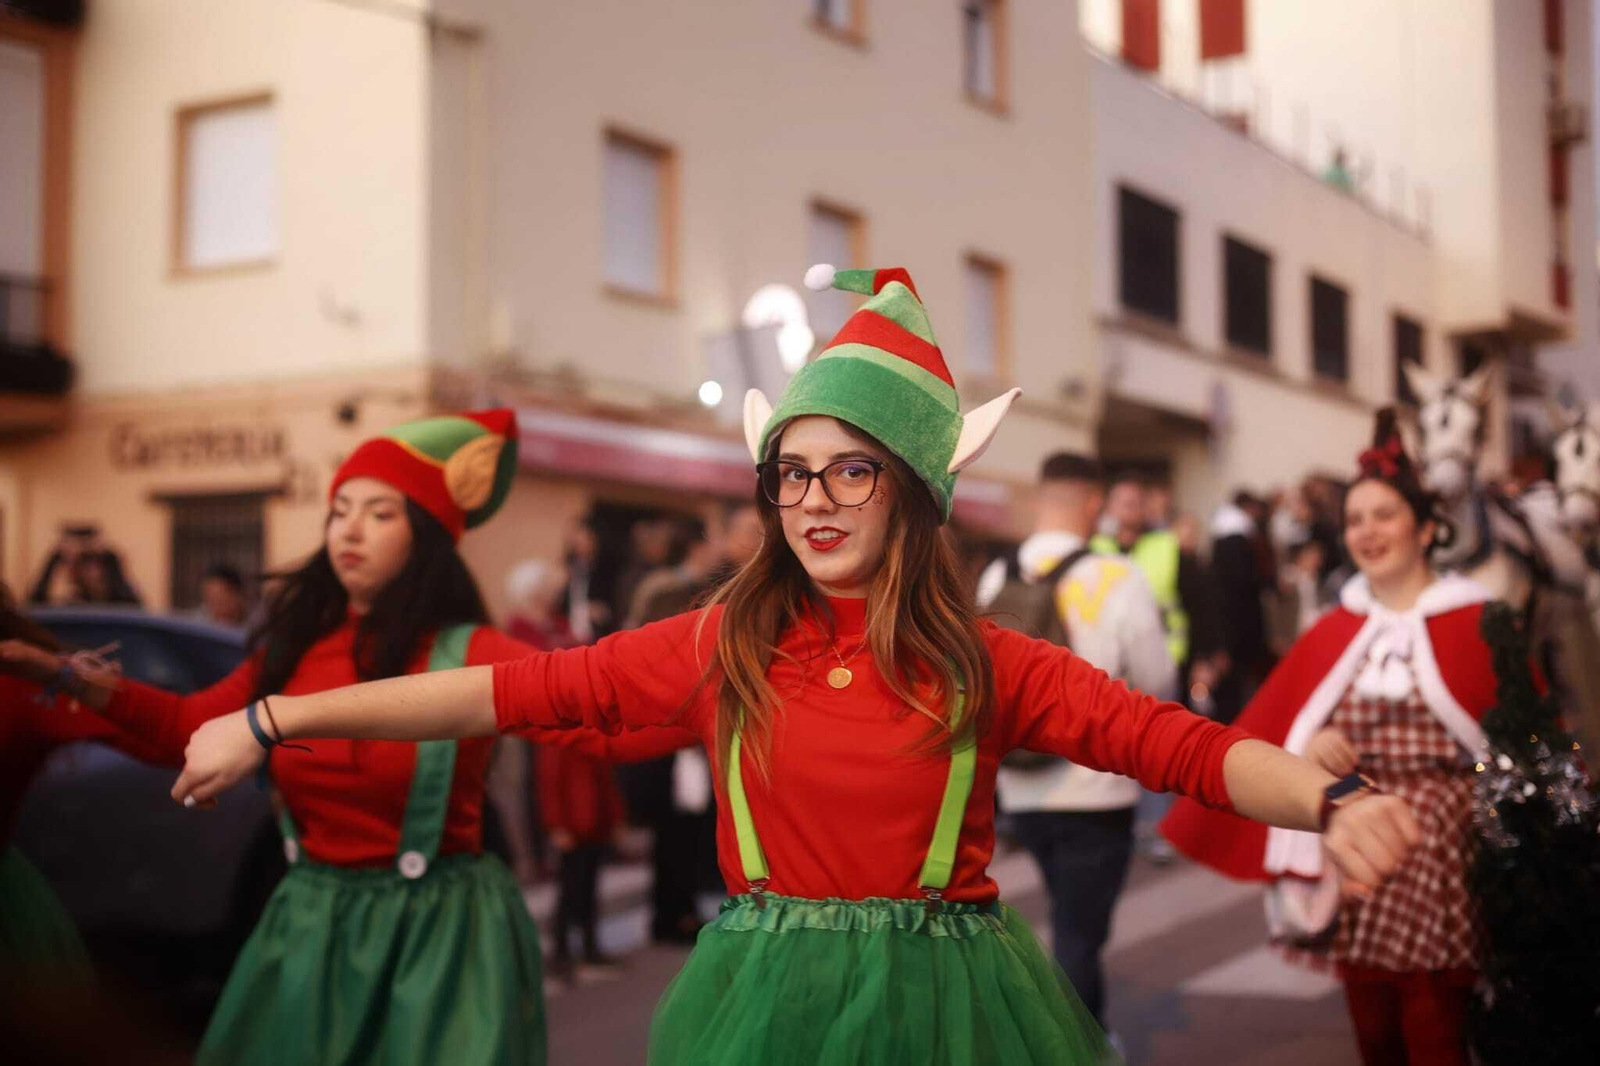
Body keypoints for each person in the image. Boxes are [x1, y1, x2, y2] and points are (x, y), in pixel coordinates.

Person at [162, 267, 1421, 1065]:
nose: (815, 499)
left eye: (852, 468)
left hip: (950, 1018)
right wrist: (274, 715)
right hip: (757, 1011)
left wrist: (1328, 799)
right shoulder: (725, 643)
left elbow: (1180, 749)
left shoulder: (988, 661)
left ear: (914, 493)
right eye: (793, 473)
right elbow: (508, 691)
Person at [0, 410, 680, 1065]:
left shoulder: (472, 649)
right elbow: (185, 730)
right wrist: (69, 677)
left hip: (440, 939)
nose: (348, 530)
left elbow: (612, 729)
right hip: (307, 930)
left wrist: (718, 677)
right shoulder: (294, 650)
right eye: (339, 510)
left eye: (380, 514)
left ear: (425, 538)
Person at [1163, 410, 1500, 1066]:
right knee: (1372, 1023)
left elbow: (1517, 739)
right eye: (1355, 519)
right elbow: (1283, 728)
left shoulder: (1479, 617)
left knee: (1435, 1023)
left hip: (1445, 845)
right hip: (1353, 841)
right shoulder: (1334, 625)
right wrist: (1312, 748)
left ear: (1427, 528)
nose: (1366, 532)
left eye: (1384, 515)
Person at [976, 452, 1177, 1029]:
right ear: (1094, 503)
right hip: (1096, 787)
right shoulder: (1119, 575)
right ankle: (1077, 1043)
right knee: (1078, 936)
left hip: (1019, 784)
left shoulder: (998, 573)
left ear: (1042, 498)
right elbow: (1156, 679)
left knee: (1064, 918)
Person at [197, 563, 250, 627]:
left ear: (238, 596)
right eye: (211, 603)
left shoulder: (255, 627)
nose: (216, 610)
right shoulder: (200, 625)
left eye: (221, 602)